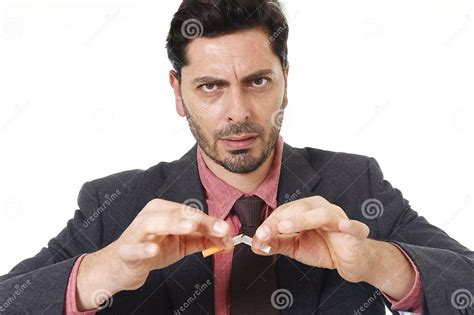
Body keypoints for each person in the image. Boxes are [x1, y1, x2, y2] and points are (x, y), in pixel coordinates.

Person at [1, 0, 473, 314]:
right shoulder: (115, 203)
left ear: (286, 80)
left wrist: (375, 262)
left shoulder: (356, 183)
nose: (238, 113)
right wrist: (104, 271)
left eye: (258, 81)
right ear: (178, 93)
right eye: (210, 87)